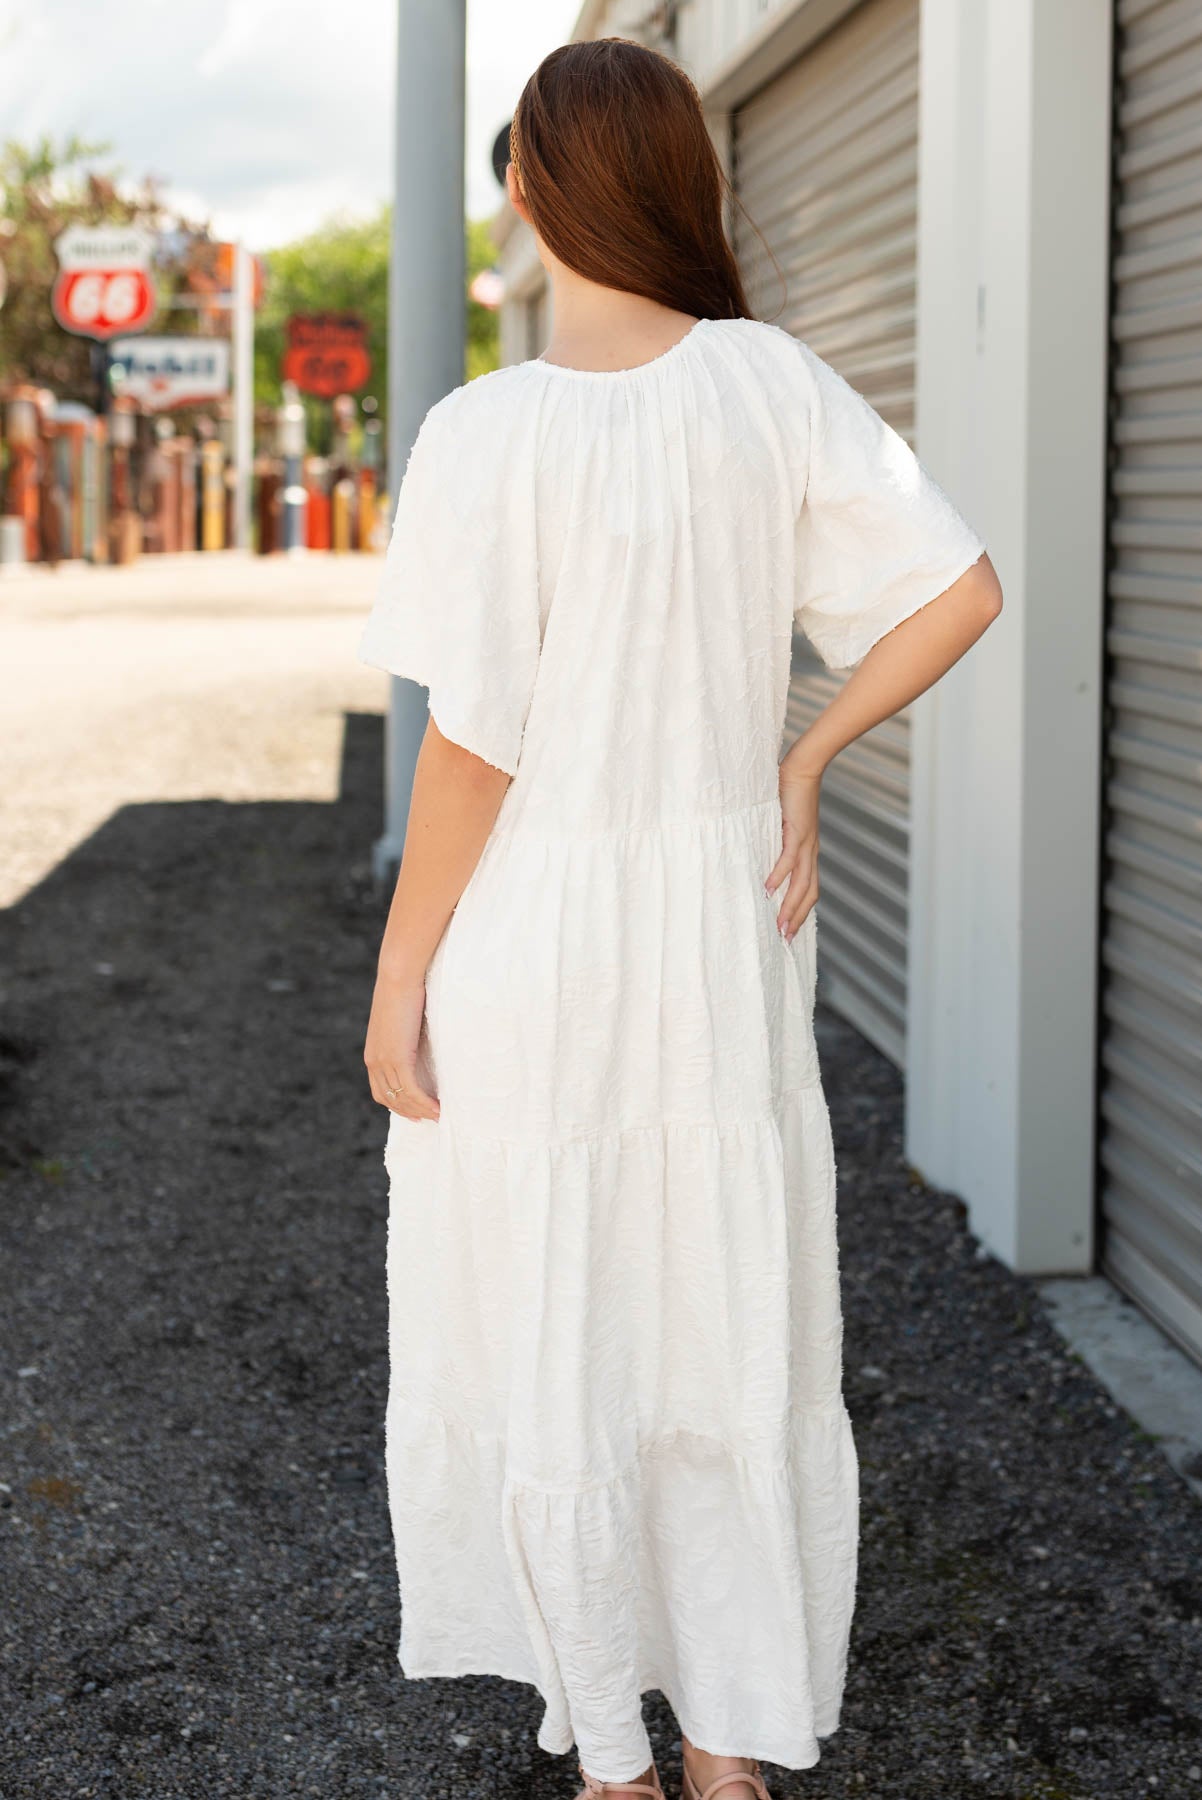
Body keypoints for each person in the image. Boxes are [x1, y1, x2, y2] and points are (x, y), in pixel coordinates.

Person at [358, 36, 1001, 1800]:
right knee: (719, 1313)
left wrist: (398, 976)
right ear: (680, 183)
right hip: (718, 933)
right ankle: (727, 1745)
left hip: (537, 938)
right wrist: (804, 756)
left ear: (524, 190)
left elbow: (474, 747)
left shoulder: (486, 430)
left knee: (554, 1319)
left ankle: (613, 1758)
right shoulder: (771, 384)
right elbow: (959, 589)